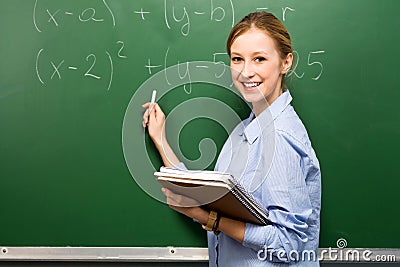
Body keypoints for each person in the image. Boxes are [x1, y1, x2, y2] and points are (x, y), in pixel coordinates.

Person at [142, 12, 321, 266]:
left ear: (285, 62)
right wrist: (160, 139)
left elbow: (288, 245)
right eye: (237, 59)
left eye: (259, 59)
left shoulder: (279, 137)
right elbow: (212, 200)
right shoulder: (246, 130)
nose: (246, 72)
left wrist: (209, 219)